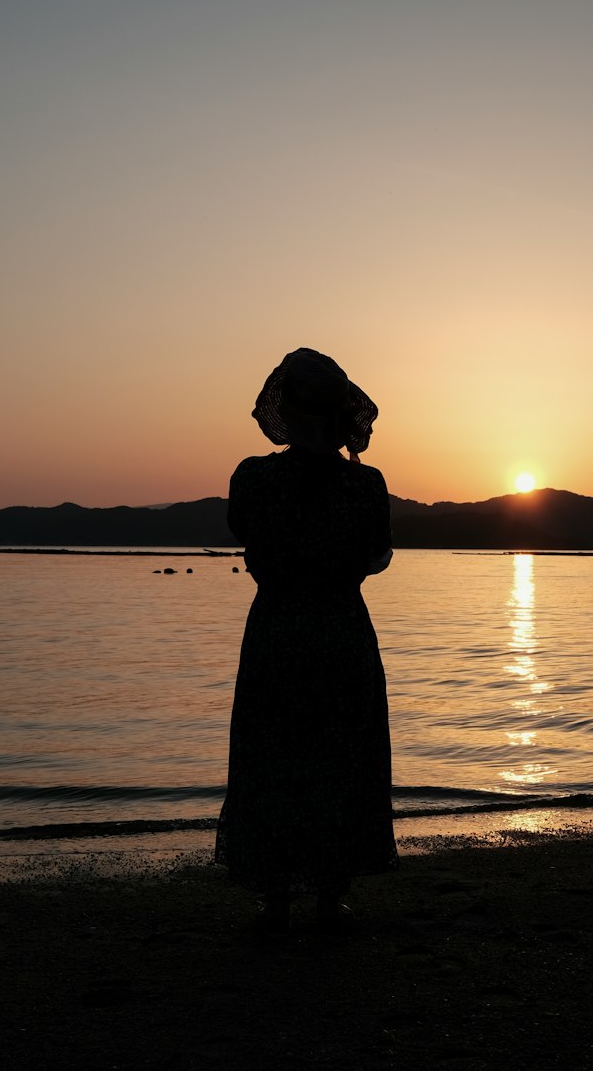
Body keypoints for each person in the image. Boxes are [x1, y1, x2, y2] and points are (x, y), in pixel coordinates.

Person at [214, 348, 398, 932]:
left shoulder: (253, 479)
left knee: (275, 756)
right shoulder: (365, 486)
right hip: (341, 630)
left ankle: (274, 897)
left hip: (278, 631)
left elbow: (243, 532)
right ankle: (327, 895)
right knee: (339, 757)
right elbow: (375, 556)